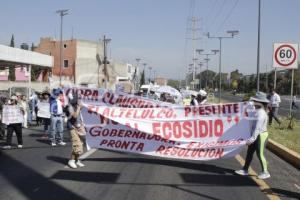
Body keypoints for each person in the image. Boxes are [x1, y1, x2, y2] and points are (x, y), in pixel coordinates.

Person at [235, 91, 271, 180]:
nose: (253, 103)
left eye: (255, 101)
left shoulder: (261, 113)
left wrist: (251, 139)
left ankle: (265, 172)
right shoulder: (257, 111)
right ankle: (245, 169)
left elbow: (257, 129)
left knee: (260, 153)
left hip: (261, 136)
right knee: (250, 152)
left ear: (259, 103)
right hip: (256, 135)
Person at [66, 92, 85, 169]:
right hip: (72, 127)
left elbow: (82, 107)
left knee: (81, 144)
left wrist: (81, 106)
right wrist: (79, 107)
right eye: (77, 99)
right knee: (77, 145)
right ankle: (71, 160)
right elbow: (75, 115)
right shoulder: (69, 107)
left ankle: (76, 160)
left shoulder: (76, 106)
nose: (78, 100)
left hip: (79, 126)